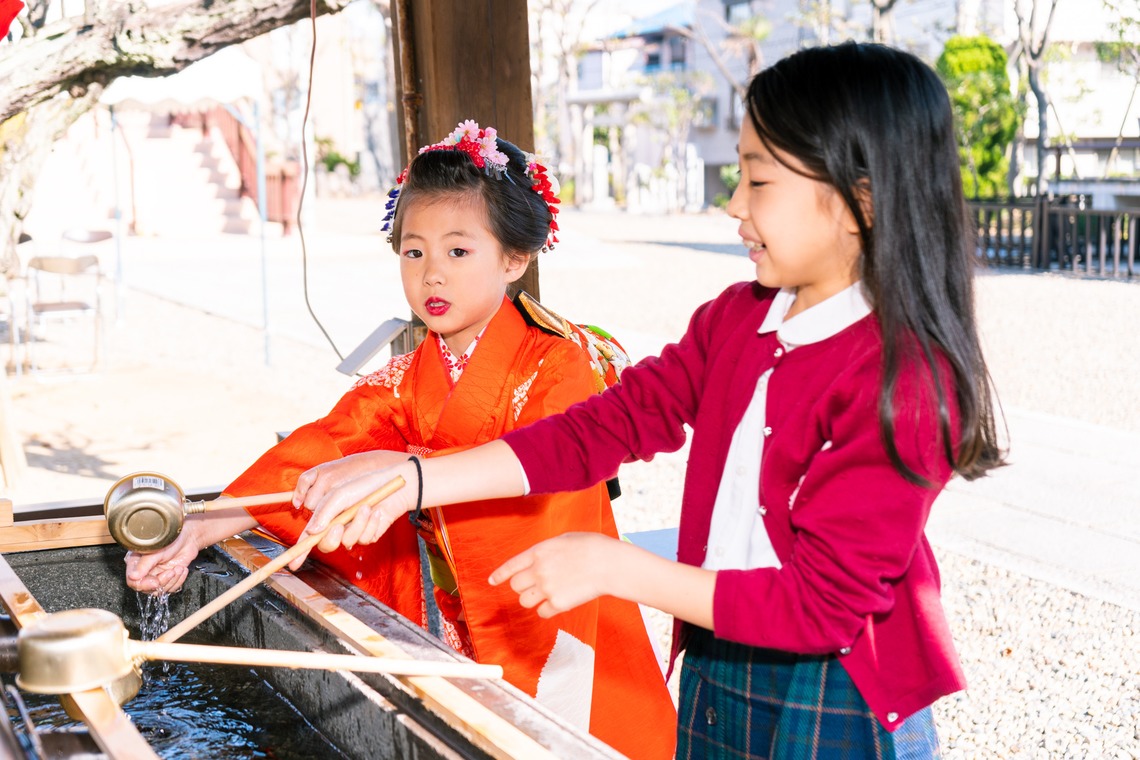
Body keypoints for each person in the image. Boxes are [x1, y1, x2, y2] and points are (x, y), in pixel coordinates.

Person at [292, 43, 1006, 759]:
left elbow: (822, 608)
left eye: (758, 182)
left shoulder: (906, 378)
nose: (732, 205)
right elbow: (601, 429)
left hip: (838, 689)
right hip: (719, 657)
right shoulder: (739, 318)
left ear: (863, 201)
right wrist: (412, 479)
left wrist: (614, 567)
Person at [125, 120, 678, 760]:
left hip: (548, 621)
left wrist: (406, 474)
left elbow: (541, 488)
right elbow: (330, 445)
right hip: (454, 622)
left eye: (458, 251)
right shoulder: (414, 373)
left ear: (515, 258)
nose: (431, 276)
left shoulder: (558, 366)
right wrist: (205, 524)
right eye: (413, 253)